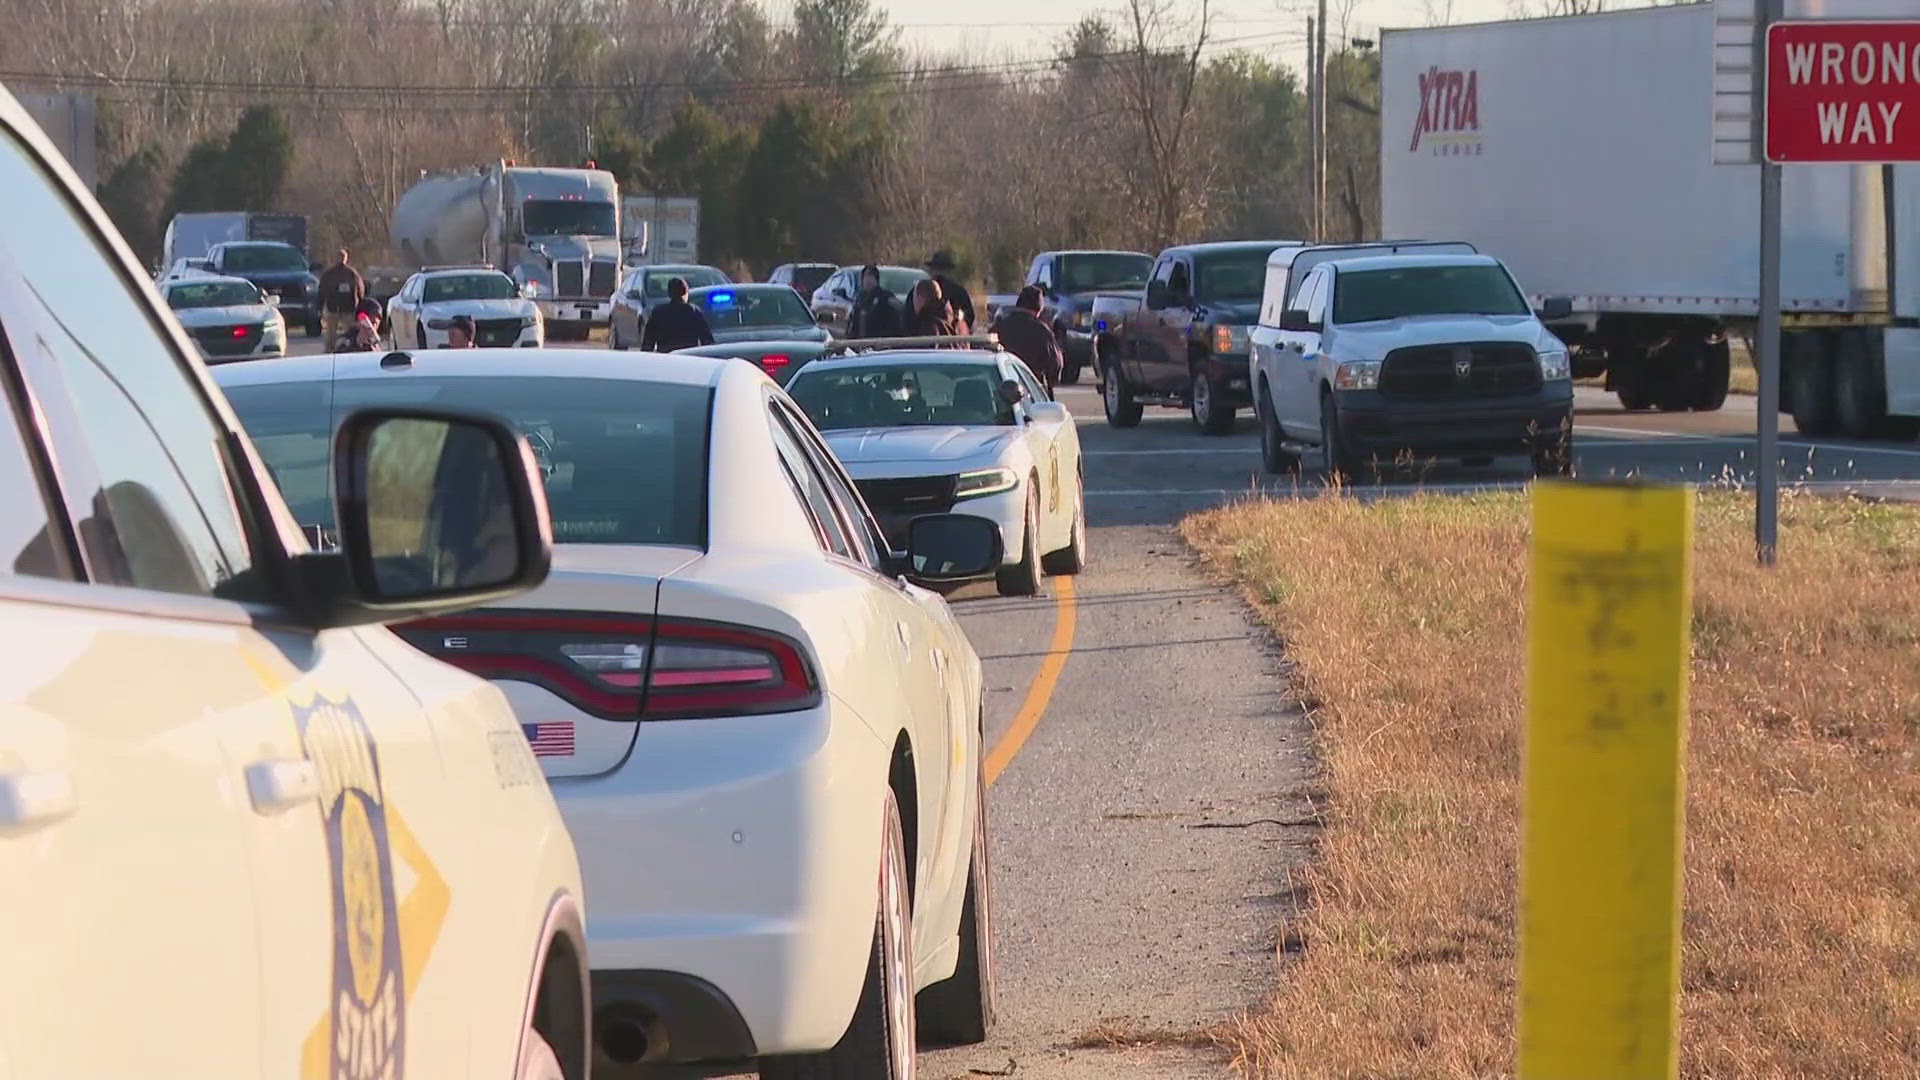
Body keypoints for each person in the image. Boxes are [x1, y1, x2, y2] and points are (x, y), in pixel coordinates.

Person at [992, 285, 1065, 394]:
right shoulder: (1041, 331)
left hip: (1000, 390)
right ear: (1039, 309)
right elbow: (1056, 362)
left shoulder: (999, 327)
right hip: (1033, 391)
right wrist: (1050, 382)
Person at [640, 277, 715, 352]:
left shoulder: (658, 313)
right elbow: (707, 341)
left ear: (669, 294)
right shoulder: (694, 312)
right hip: (689, 357)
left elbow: (648, 343)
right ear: (685, 292)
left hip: (666, 357)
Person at [315, 248, 366, 351]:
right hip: (333, 308)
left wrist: (360, 304)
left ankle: (349, 349)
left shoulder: (351, 273)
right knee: (331, 334)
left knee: (349, 332)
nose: (341, 260)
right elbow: (322, 291)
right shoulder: (329, 274)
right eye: (340, 257)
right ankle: (329, 351)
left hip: (348, 308)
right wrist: (320, 306)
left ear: (346, 259)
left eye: (343, 257)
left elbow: (360, 289)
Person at [924, 250, 976, 334]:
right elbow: (969, 319)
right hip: (953, 342)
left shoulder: (921, 292)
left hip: (924, 342)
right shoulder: (959, 292)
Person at [848, 265, 903, 339]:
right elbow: (853, 326)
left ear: (876, 279)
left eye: (871, 276)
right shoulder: (859, 300)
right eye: (865, 276)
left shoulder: (885, 298)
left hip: (879, 344)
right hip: (860, 344)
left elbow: (894, 326)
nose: (868, 280)